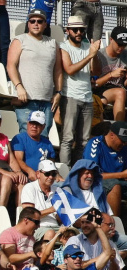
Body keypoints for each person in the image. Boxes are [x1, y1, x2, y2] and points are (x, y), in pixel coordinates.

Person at [6, 9, 61, 135]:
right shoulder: (19, 40)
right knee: (27, 138)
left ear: (45, 24)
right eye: (32, 21)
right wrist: (19, 87)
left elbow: (57, 70)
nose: (36, 24)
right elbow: (10, 65)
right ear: (28, 24)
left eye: (40, 21)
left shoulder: (53, 43)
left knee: (44, 138)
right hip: (26, 100)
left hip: (47, 100)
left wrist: (58, 92)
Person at [59, 16, 100, 165]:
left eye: (81, 30)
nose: (78, 33)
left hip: (87, 98)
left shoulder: (88, 46)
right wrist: (90, 55)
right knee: (68, 138)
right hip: (69, 96)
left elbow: (97, 71)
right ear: (67, 30)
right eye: (75, 30)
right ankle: (65, 172)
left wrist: (94, 55)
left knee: (83, 140)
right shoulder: (64, 47)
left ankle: (76, 172)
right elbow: (69, 69)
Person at [83, 122, 127, 216]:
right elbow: (91, 174)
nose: (124, 144)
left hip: (121, 181)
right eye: (122, 141)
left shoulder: (124, 148)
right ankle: (114, 224)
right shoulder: (95, 144)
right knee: (114, 184)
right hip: (98, 182)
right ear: (112, 135)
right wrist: (121, 175)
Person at [93, 27, 127, 123]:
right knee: (120, 92)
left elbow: (125, 84)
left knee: (121, 92)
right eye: (119, 44)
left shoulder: (125, 55)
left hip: (121, 89)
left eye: (124, 45)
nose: (121, 47)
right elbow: (94, 84)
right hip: (101, 89)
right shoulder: (99, 55)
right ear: (111, 39)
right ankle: (118, 130)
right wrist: (111, 75)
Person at [20, 160, 59, 241]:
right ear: (38, 174)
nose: (51, 177)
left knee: (72, 235)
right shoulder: (29, 188)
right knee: (50, 233)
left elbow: (60, 218)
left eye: (53, 174)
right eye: (47, 174)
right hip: (37, 227)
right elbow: (28, 215)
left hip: (56, 226)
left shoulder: (58, 190)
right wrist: (51, 210)